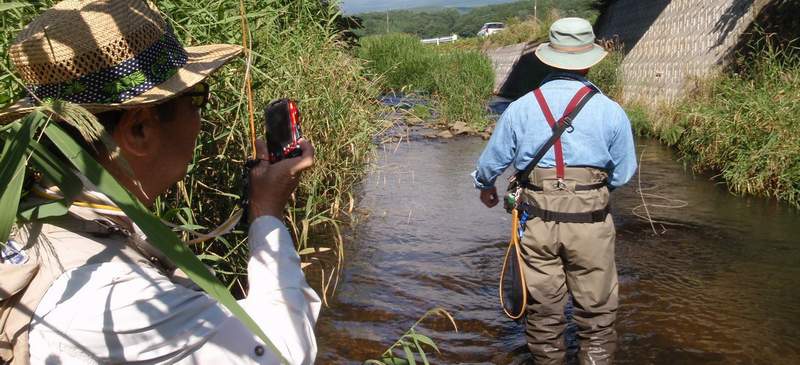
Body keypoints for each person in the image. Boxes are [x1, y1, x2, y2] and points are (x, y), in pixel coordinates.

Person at [0, 1, 320, 364]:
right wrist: (268, 214)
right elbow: (284, 353)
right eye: (197, 100)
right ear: (139, 130)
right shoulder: (117, 300)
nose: (202, 121)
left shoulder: (33, 217)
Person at [471, 17, 637, 365]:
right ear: (590, 60)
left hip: (536, 223)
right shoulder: (612, 111)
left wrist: (485, 186)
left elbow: (491, 164)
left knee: (544, 314)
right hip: (591, 222)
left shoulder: (519, 109)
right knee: (598, 314)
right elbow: (623, 174)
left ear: (547, 59)